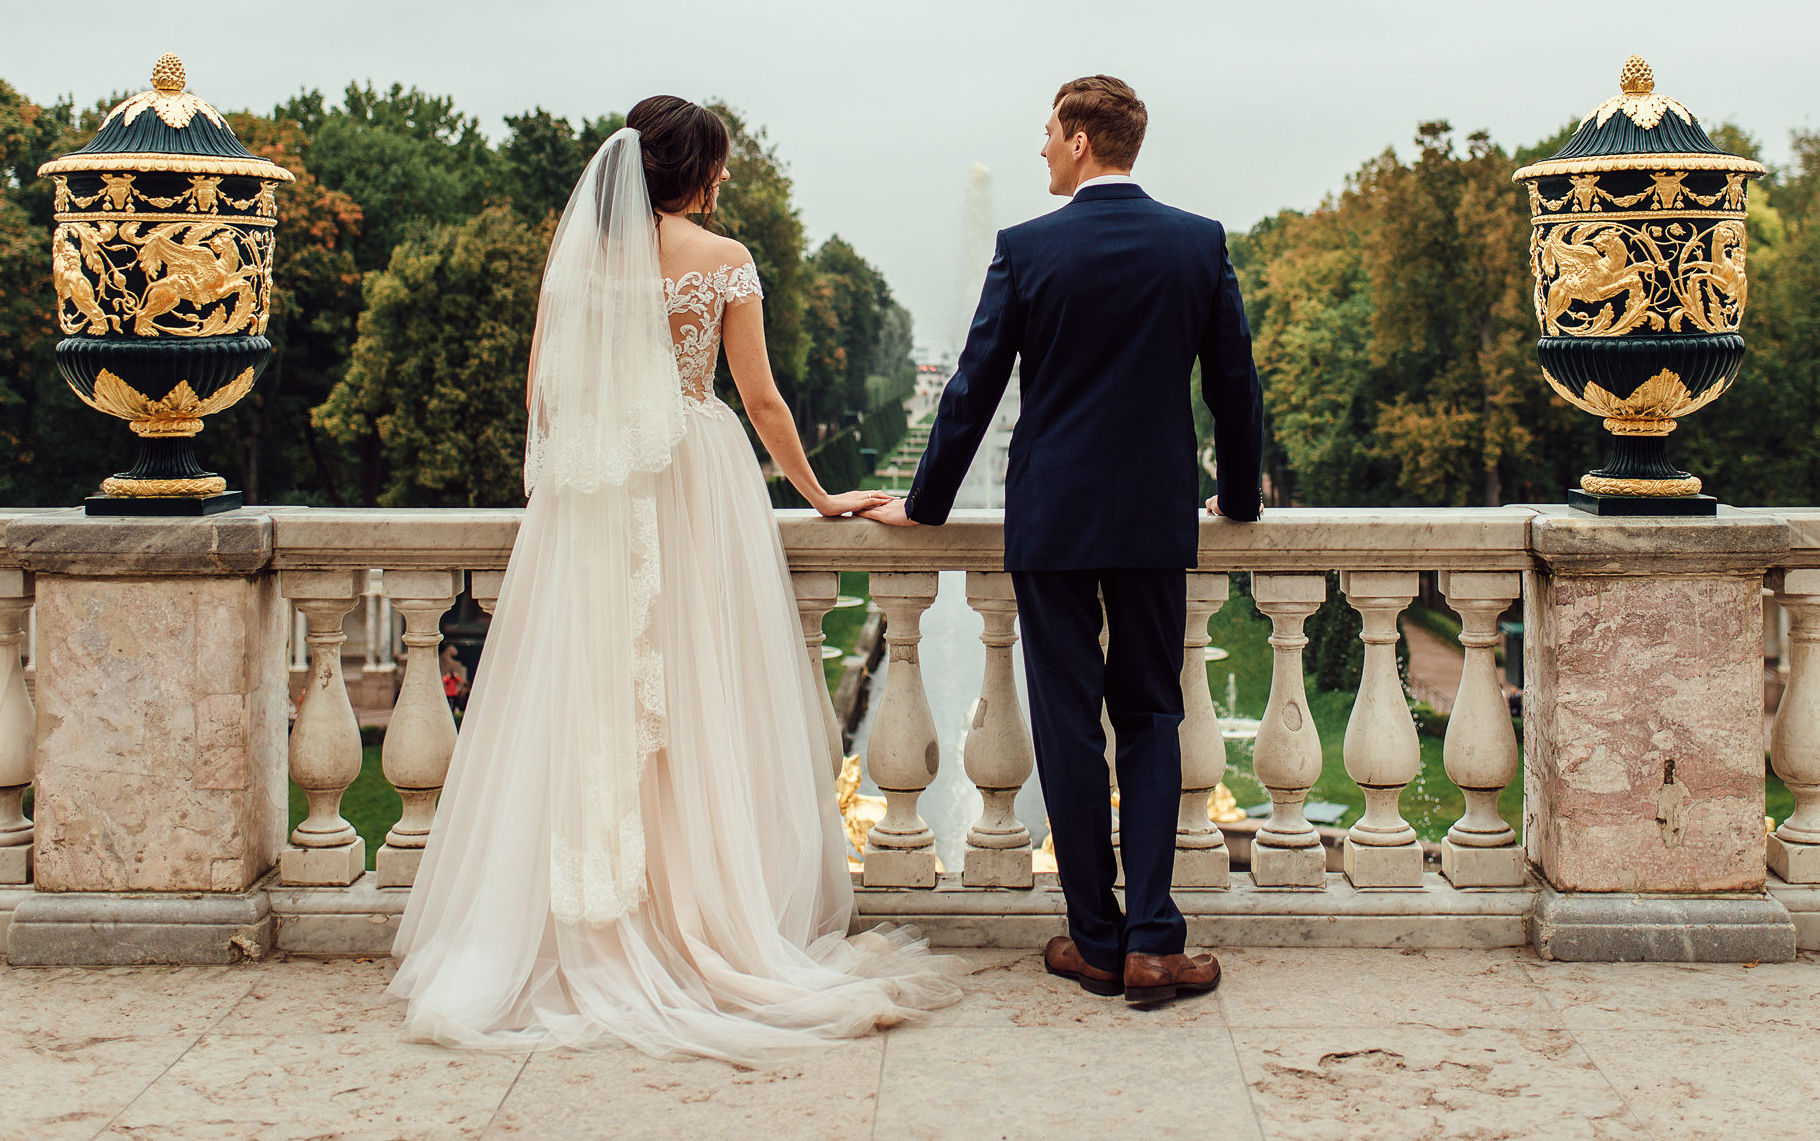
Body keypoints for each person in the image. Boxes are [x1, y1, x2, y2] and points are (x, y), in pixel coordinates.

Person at [390, 98, 959, 1061]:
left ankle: (591, 922)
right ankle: (696, 911)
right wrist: (819, 495)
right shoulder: (722, 258)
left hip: (596, 492)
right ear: (694, 169)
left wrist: (604, 440)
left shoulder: (575, 263)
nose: (726, 181)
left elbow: (541, 396)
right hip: (694, 482)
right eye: (720, 165)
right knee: (698, 694)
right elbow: (763, 397)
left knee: (590, 699)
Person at [866, 75, 1263, 1007]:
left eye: (1048, 133)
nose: (1040, 149)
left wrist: (923, 507)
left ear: (1082, 141)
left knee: (1069, 725)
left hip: (1053, 518)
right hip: (1158, 518)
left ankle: (1095, 937)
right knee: (1153, 718)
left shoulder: (1027, 248)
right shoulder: (1196, 242)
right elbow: (1236, 389)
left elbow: (970, 390)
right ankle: (1156, 942)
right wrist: (1236, 499)